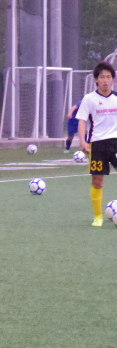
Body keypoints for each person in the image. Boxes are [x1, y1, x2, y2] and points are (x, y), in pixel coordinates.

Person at [77, 61, 117, 227]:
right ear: (96, 79)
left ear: (113, 79)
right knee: (97, 181)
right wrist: (82, 141)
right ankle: (98, 217)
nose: (105, 80)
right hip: (98, 144)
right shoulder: (89, 99)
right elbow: (82, 121)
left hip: (115, 142)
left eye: (108, 77)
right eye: (102, 77)